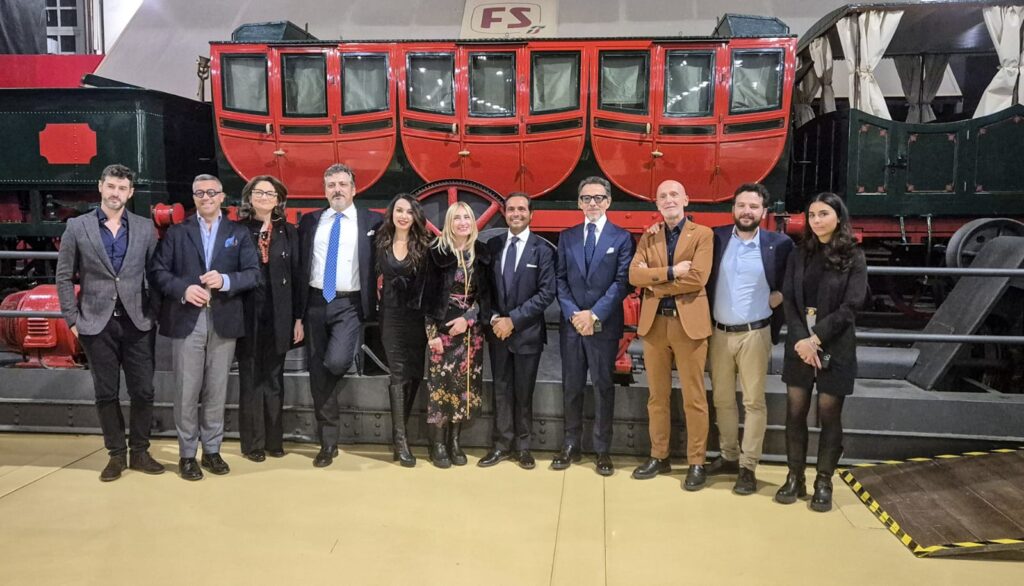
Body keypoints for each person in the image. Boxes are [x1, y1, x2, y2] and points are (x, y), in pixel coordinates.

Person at [55, 164, 164, 482]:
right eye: (111, 186)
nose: (116, 193)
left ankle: (140, 452)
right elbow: (64, 276)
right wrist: (72, 319)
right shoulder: (77, 227)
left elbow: (155, 274)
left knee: (143, 391)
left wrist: (153, 314)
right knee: (106, 393)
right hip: (95, 324)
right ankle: (116, 455)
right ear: (101, 187)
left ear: (130, 193)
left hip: (138, 321)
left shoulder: (145, 228)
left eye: (122, 188)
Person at [150, 174, 260, 481]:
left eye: (212, 192)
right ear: (194, 197)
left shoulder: (238, 233)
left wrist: (226, 281)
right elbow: (158, 271)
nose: (206, 197)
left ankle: (212, 451)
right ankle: (187, 455)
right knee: (186, 390)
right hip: (188, 319)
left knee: (216, 389)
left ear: (223, 197)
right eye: (200, 193)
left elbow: (253, 274)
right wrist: (183, 289)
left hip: (224, 319)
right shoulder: (177, 233)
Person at [776, 192, 868, 512]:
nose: (816, 220)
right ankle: (794, 476)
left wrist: (816, 339)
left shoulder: (854, 256)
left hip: (835, 343)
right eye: (812, 214)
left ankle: (823, 481)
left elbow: (852, 305)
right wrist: (803, 340)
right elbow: (789, 299)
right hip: (800, 345)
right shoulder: (799, 253)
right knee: (794, 412)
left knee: (829, 415)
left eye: (823, 214)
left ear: (838, 217)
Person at [704, 183, 794, 495]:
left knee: (754, 401)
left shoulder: (779, 244)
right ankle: (729, 456)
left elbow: (793, 281)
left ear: (764, 212)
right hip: (718, 332)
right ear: (733, 209)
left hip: (755, 334)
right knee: (722, 400)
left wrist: (779, 296)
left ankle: (748, 466)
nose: (746, 211)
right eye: (741, 205)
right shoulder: (715, 239)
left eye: (753, 207)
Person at [628, 179, 713, 490]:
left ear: (686, 199)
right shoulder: (649, 237)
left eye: (674, 194)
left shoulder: (703, 234)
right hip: (655, 327)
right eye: (662, 196)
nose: (668, 199)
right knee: (657, 397)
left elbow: (698, 279)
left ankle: (696, 461)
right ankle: (658, 455)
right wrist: (670, 272)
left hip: (688, 326)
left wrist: (655, 284)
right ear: (657, 204)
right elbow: (634, 275)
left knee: (694, 397)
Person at [299, 163, 383, 468]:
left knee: (334, 362)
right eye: (331, 184)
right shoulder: (310, 222)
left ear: (354, 189)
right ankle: (328, 442)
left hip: (348, 304)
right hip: (314, 300)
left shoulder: (372, 221)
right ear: (324, 190)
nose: (337, 189)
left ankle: (329, 421)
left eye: (342, 184)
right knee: (317, 373)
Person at [553, 177, 634, 476]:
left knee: (603, 387)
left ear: (609, 201)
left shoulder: (622, 238)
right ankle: (570, 444)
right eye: (586, 198)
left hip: (603, 326)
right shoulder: (567, 236)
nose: (592, 203)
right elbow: (559, 280)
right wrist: (576, 314)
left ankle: (603, 450)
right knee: (571, 388)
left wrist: (594, 315)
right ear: (578, 203)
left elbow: (621, 282)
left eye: (598, 198)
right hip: (572, 325)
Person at [478, 193, 556, 470]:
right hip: (497, 332)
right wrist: (495, 319)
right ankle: (500, 445)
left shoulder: (543, 250)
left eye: (521, 209)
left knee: (523, 393)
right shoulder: (493, 245)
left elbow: (547, 293)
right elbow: (484, 289)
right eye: (511, 209)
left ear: (531, 214)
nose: (516, 214)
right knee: (500, 389)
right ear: (505, 213)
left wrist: (514, 320)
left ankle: (523, 447)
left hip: (527, 333)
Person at [235, 175, 304, 462]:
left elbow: (299, 275)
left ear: (278, 200)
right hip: (247, 314)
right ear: (249, 198)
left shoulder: (289, 232)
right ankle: (252, 444)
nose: (264, 197)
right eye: (258, 192)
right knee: (250, 378)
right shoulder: (236, 231)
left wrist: (298, 318)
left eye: (270, 193)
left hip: (280, 314)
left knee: (275, 378)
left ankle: (275, 441)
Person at [422, 202, 491, 469]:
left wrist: (468, 319)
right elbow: (427, 298)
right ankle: (437, 444)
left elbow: (487, 296)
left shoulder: (481, 254)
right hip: (442, 331)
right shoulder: (436, 253)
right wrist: (432, 334)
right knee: (441, 387)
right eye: (457, 218)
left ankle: (455, 441)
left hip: (470, 332)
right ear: (449, 222)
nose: (463, 222)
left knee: (463, 388)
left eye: (467, 217)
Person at [375, 193, 431, 467]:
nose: (404, 215)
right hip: (390, 316)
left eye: (409, 211)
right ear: (392, 213)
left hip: (417, 318)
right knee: (398, 375)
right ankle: (401, 441)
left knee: (414, 375)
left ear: (415, 216)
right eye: (399, 210)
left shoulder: (425, 244)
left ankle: (403, 432)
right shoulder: (380, 241)